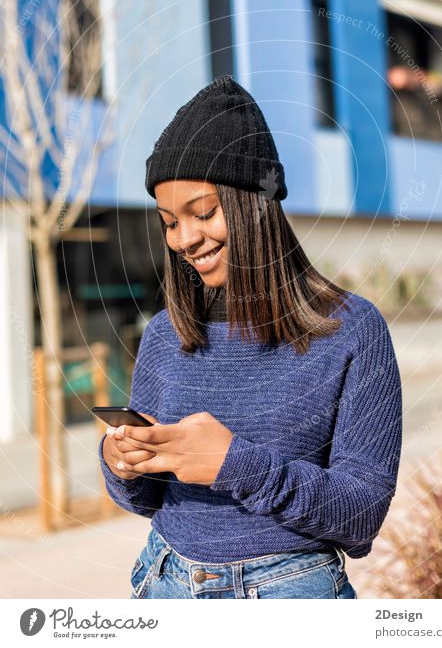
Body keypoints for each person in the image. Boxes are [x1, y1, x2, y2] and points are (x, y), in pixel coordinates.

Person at [98, 75, 403, 600]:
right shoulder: (165, 335)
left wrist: (236, 464)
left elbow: (362, 515)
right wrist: (121, 461)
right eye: (170, 222)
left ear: (255, 202)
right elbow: (146, 499)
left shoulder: (353, 331)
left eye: (204, 213)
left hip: (289, 593)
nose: (185, 239)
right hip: (164, 582)